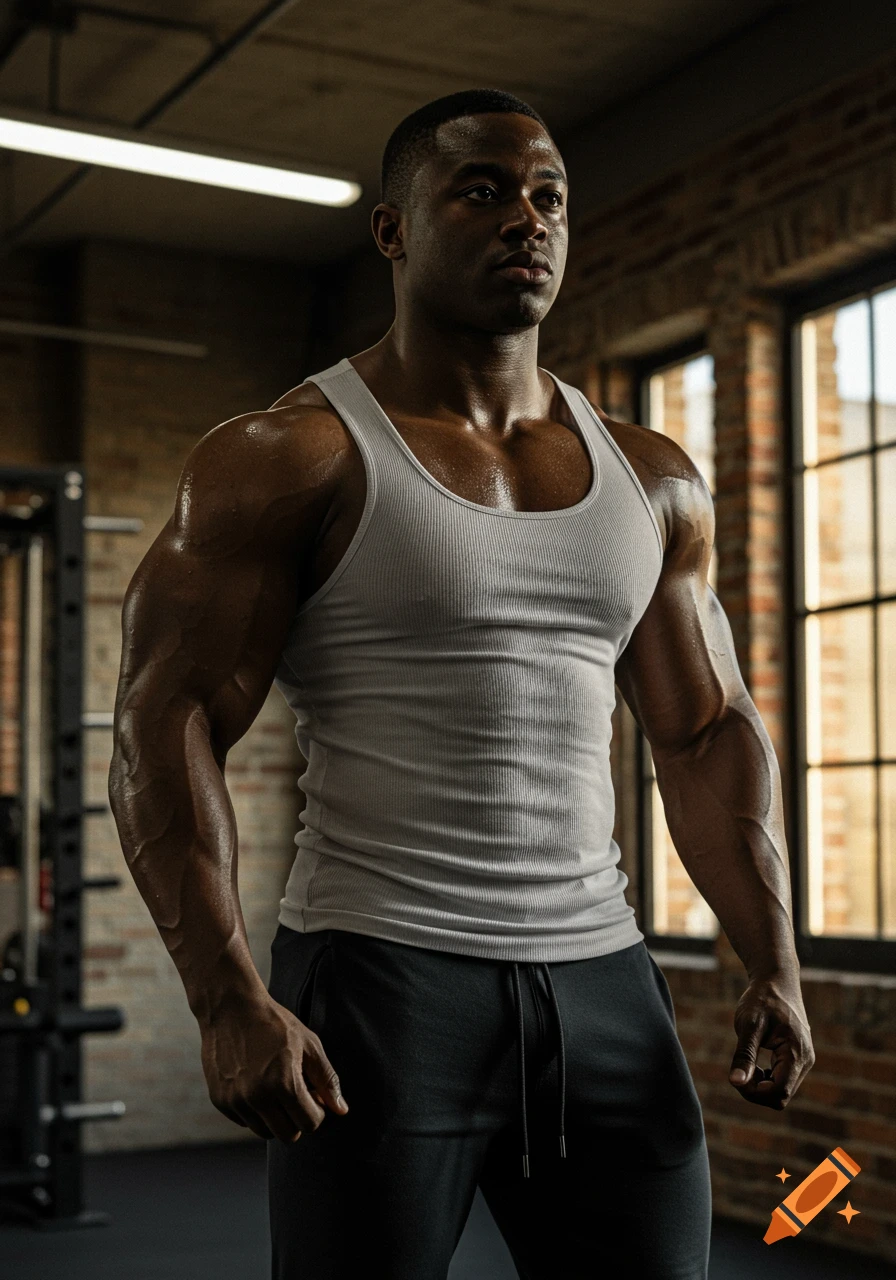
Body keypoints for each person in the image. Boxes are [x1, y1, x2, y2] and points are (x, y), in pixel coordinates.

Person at [108, 88, 815, 1280]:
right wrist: (226, 994)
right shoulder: (287, 455)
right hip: (379, 981)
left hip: (603, 977)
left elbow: (700, 733)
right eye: (481, 190)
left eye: (547, 196)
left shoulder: (649, 478)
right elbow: (163, 722)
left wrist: (775, 959)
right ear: (391, 230)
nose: (525, 219)